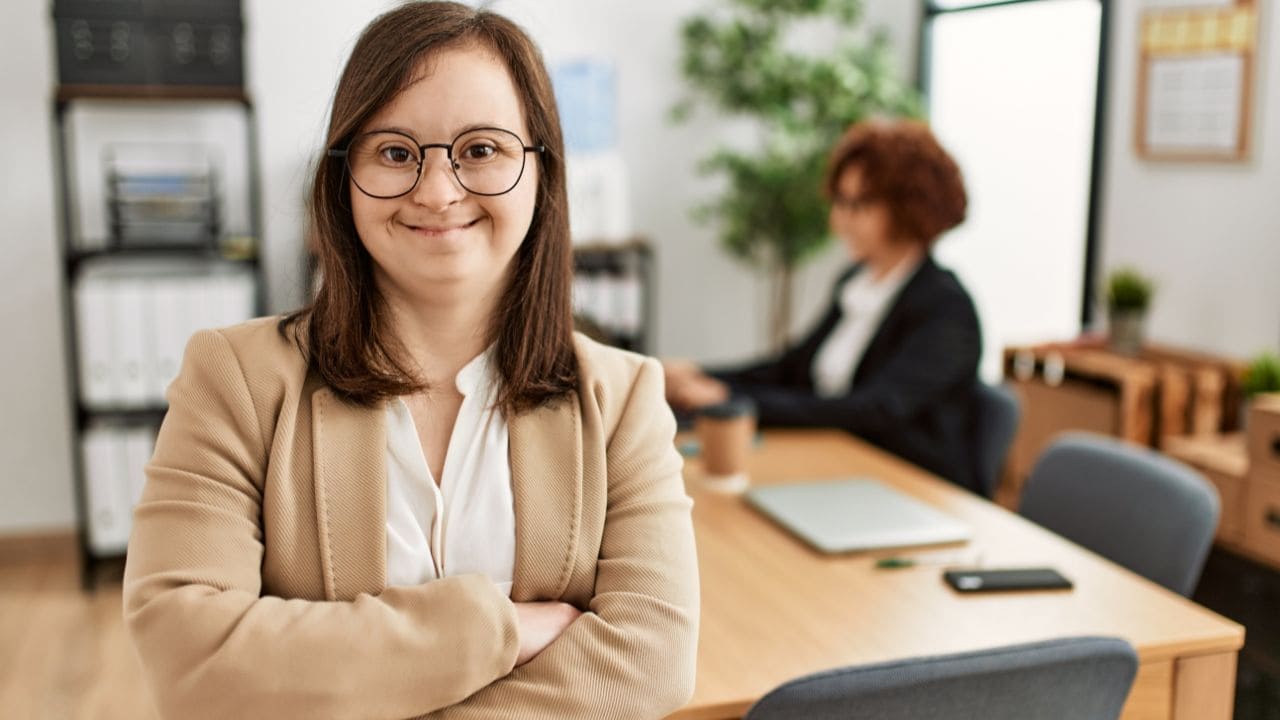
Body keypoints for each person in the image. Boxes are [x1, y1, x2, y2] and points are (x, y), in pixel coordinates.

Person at [122, 4, 698, 719]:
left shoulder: (622, 398)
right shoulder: (234, 379)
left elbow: (651, 663)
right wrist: (503, 629)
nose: (437, 191)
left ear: (542, 172)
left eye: (482, 150)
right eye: (394, 152)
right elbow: (190, 659)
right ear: (343, 178)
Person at [665, 119, 982, 492]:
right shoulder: (856, 283)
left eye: (857, 204)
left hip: (913, 487)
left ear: (909, 207)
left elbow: (871, 410)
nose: (839, 219)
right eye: (840, 202)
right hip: (841, 468)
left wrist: (729, 398)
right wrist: (704, 375)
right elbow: (792, 368)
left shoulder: (946, 309)